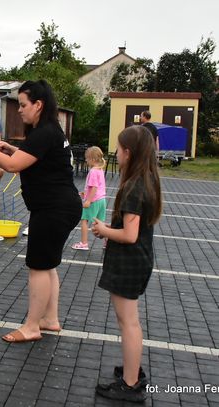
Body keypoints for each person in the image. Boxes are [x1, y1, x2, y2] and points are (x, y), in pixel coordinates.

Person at [0, 80, 81, 342]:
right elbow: (34, 158)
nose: (19, 109)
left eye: (23, 104)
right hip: (60, 206)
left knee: (38, 267)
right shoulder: (50, 131)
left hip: (53, 209)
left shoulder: (44, 133)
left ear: (38, 105)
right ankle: (50, 318)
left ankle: (31, 327)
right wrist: (13, 148)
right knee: (48, 265)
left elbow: (13, 166)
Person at [92, 125, 162, 403]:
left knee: (128, 323)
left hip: (129, 261)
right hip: (136, 259)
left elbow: (129, 235)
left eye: (119, 149)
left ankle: (131, 383)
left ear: (128, 153)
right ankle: (131, 372)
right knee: (129, 322)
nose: (116, 153)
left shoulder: (134, 186)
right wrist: (112, 228)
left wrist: (104, 230)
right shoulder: (146, 179)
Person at [71, 146, 107, 250]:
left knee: (84, 220)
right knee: (101, 223)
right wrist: (84, 194)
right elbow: (96, 187)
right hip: (102, 200)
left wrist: (88, 200)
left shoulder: (93, 171)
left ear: (92, 159)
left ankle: (84, 243)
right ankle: (107, 242)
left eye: (87, 158)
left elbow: (94, 187)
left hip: (94, 201)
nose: (86, 160)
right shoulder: (99, 170)